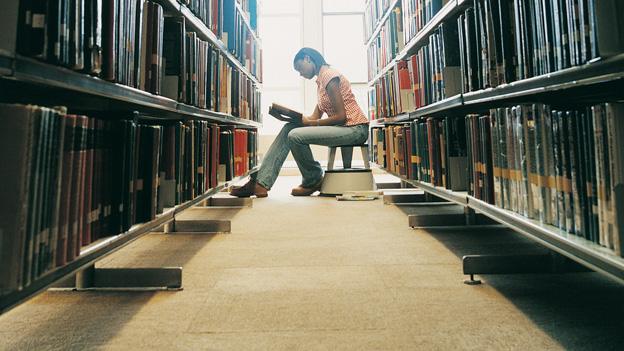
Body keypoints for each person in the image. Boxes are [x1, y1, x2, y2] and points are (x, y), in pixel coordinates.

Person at [231, 47, 369, 197]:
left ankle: (313, 179)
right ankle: (260, 182)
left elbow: (341, 117)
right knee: (289, 128)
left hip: (355, 129)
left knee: (295, 136)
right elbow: (314, 117)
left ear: (307, 59)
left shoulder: (329, 76)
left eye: (300, 69)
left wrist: (310, 124)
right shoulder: (321, 82)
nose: (301, 74)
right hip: (344, 128)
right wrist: (291, 117)